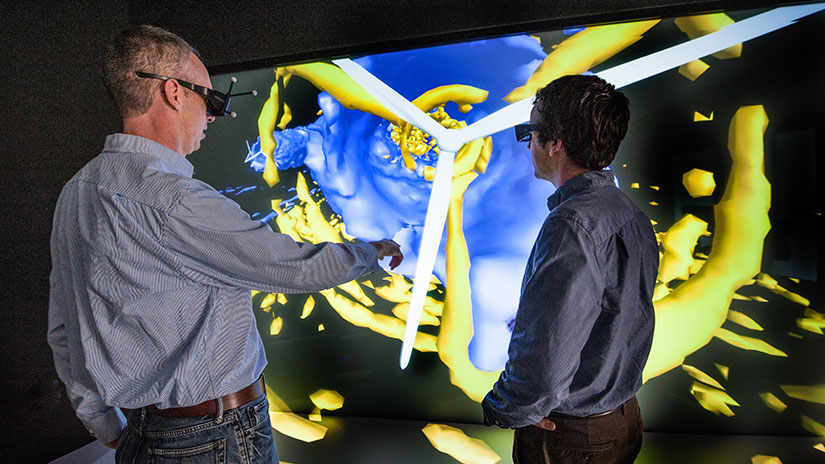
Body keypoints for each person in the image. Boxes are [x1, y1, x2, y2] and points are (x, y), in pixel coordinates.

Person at [47, 25, 402, 463]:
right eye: (211, 99)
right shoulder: (177, 201)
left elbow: (64, 332)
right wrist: (372, 252)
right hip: (216, 438)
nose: (213, 116)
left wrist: (108, 427)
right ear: (174, 93)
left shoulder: (76, 192)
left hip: (142, 435)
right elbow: (300, 267)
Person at [481, 74, 658, 464]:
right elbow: (619, 313)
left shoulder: (571, 225)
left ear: (555, 143)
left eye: (529, 133)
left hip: (572, 437)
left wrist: (505, 406)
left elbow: (546, 366)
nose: (528, 144)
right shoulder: (629, 213)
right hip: (622, 417)